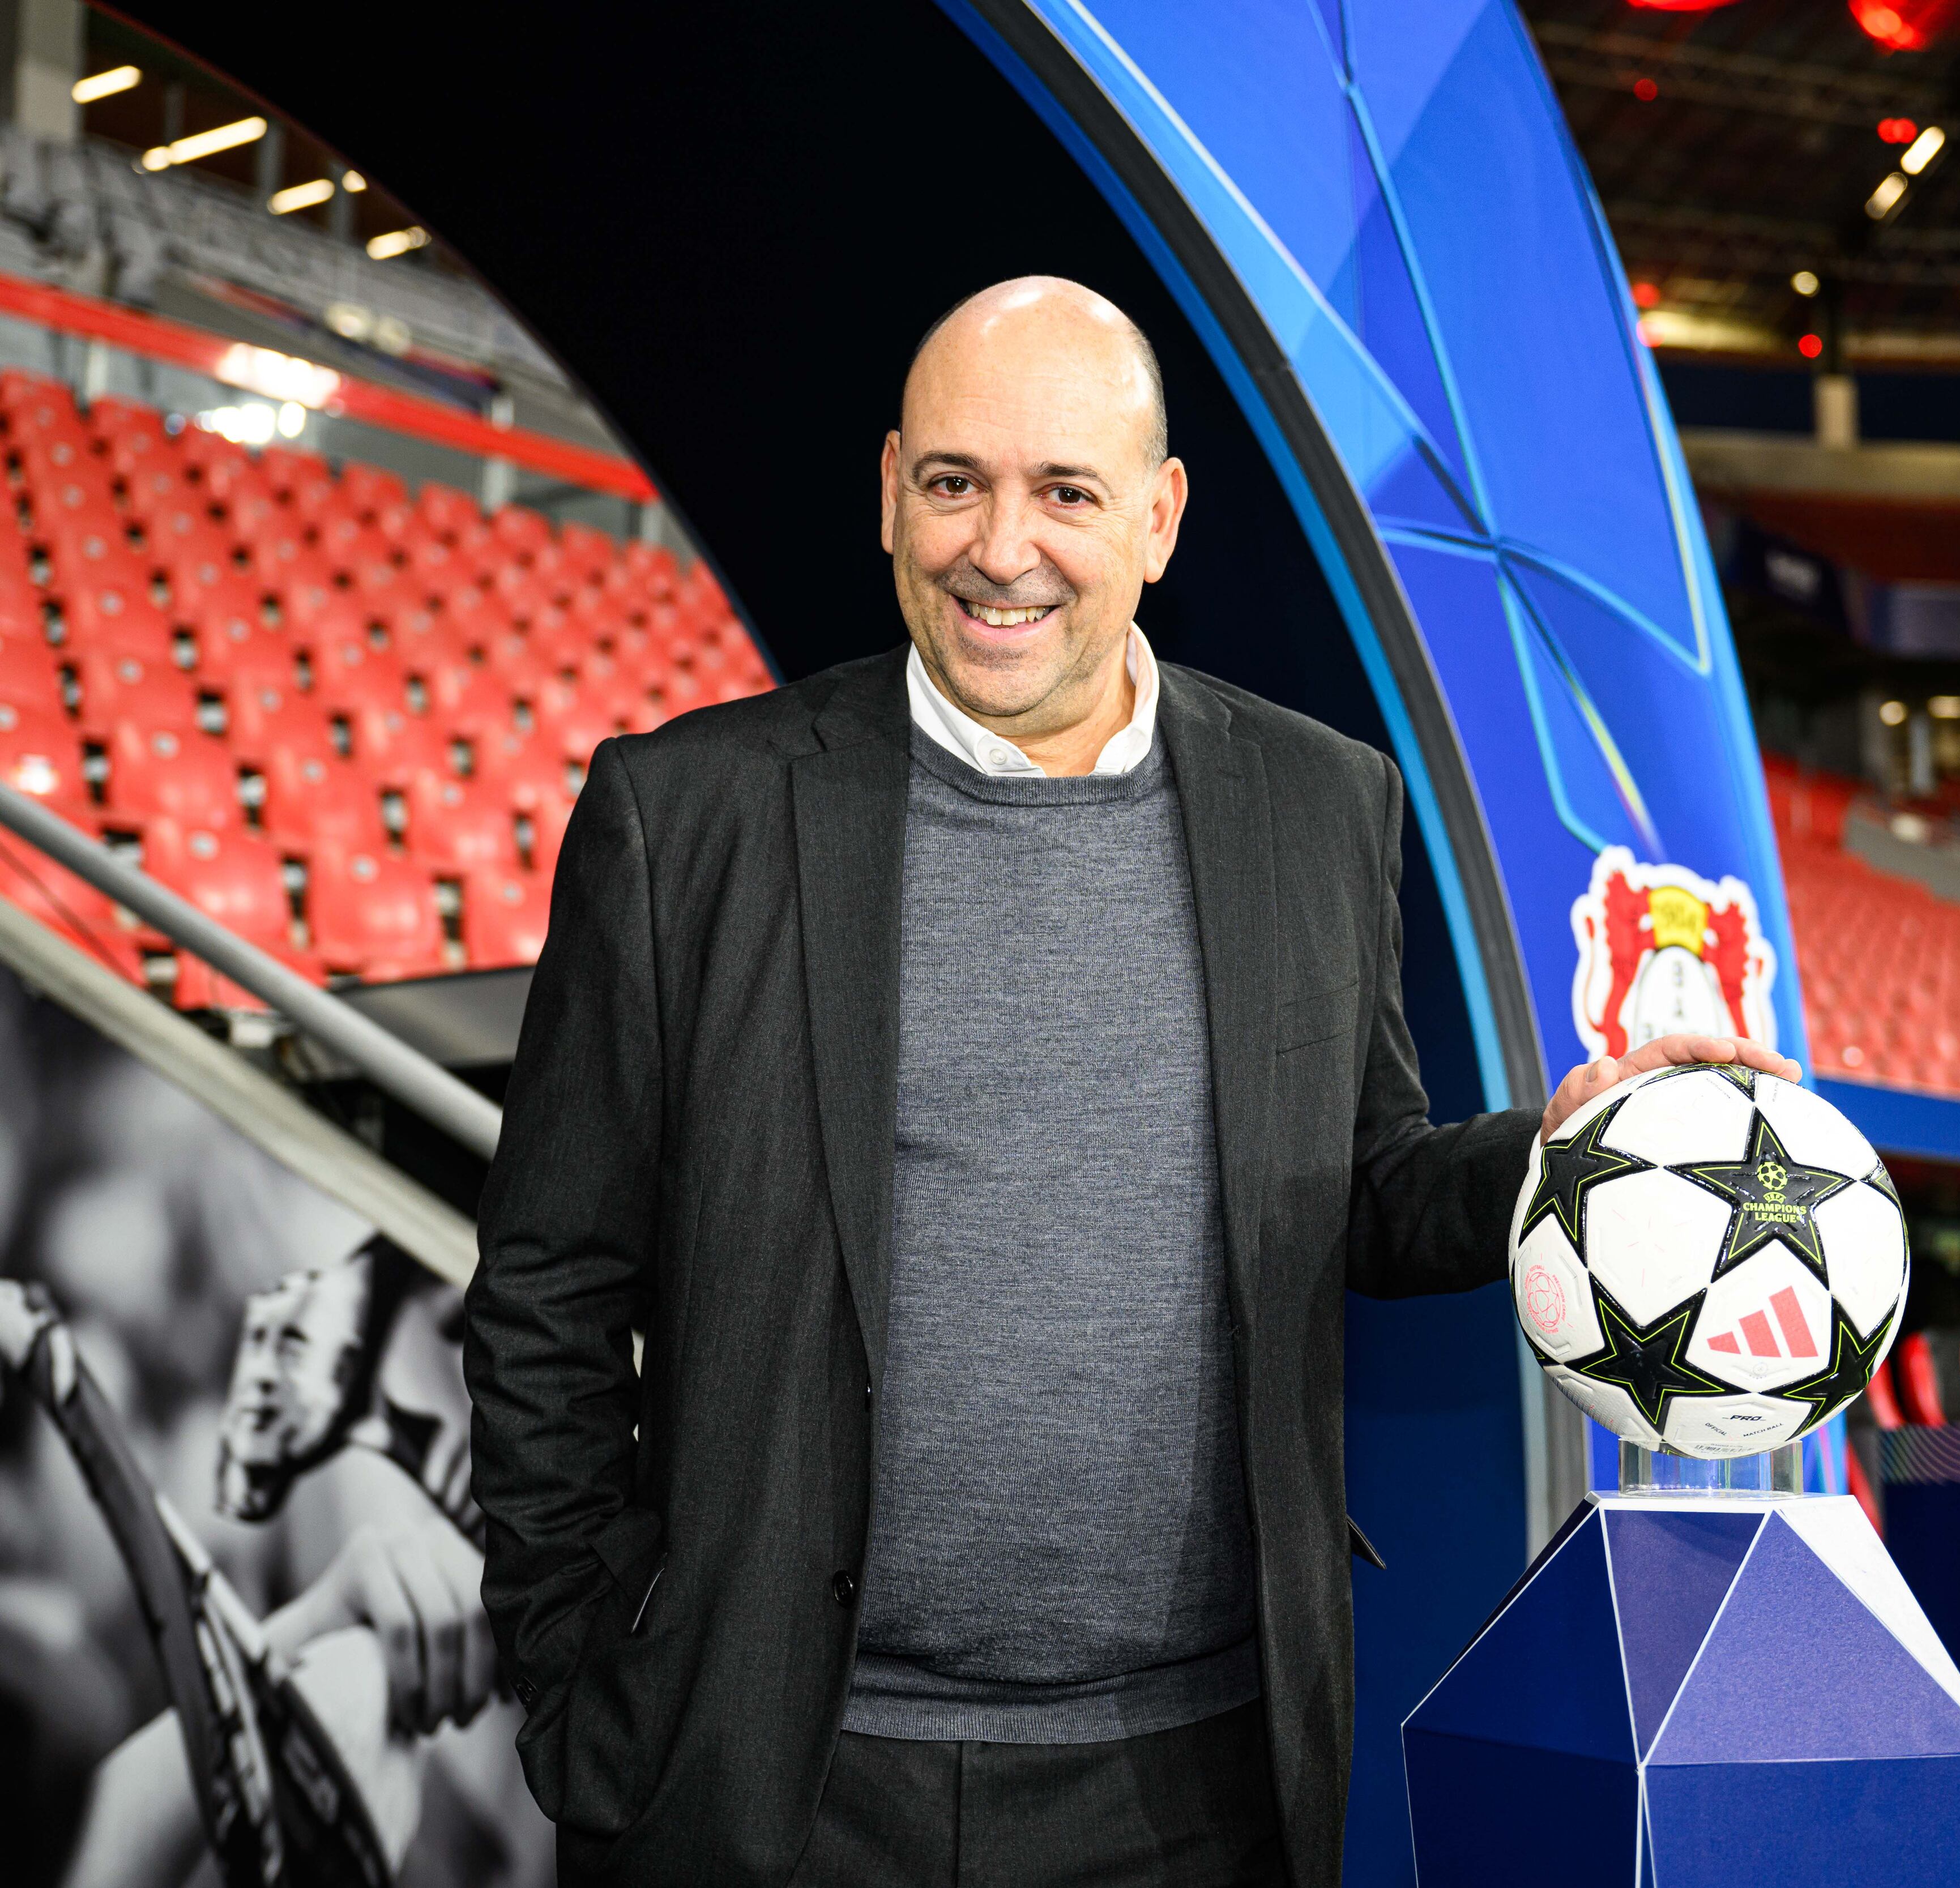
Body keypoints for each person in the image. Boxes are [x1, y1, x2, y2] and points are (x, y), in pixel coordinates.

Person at [464, 275, 1792, 1888]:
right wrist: (579, 1666)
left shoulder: (1321, 805)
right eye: (954, 483)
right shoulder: (690, 821)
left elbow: (1359, 1187)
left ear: (1159, 520)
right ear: (889, 491)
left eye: (1065, 493)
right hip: (776, 1784)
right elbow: (548, 1282)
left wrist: (1561, 1162)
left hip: (1192, 1787)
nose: (998, 547)